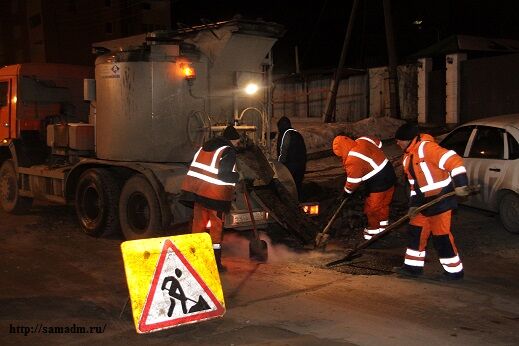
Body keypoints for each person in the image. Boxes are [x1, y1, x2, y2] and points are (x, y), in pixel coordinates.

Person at [393, 123, 470, 280]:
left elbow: (454, 161)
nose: (397, 143)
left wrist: (461, 183)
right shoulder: (407, 157)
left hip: (441, 200)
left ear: (409, 140)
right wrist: (413, 205)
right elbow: (414, 185)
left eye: (400, 140)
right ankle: (412, 268)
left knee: (441, 237)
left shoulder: (427, 148)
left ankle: (454, 272)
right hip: (423, 203)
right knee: (415, 233)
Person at [181, 125, 241, 272]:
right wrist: (238, 176)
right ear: (232, 140)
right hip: (215, 196)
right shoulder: (228, 151)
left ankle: (194, 260)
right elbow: (224, 175)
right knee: (216, 229)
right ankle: (215, 264)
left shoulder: (205, 147)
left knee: (198, 226)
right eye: (237, 142)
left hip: (198, 192)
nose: (238, 144)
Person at [332, 135, 397, 240]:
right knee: (384, 204)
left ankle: (373, 235)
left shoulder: (352, 160)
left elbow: (353, 181)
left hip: (377, 182)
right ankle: (383, 228)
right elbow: (378, 143)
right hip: (390, 173)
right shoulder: (362, 140)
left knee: (372, 209)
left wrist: (346, 192)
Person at [276, 116, 307, 201]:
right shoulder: (297, 133)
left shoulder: (285, 134)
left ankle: (289, 204)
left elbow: (283, 150)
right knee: (297, 186)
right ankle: (298, 203)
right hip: (301, 166)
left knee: (288, 188)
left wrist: (279, 166)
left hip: (290, 166)